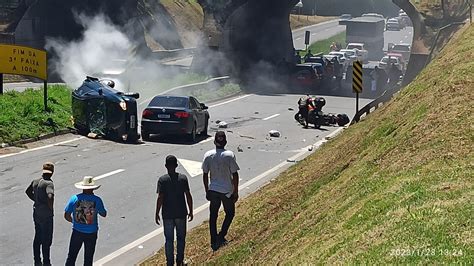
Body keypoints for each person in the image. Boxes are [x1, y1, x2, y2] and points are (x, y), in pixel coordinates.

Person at [202, 131, 240, 251]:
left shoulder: (208, 155)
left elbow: (205, 174)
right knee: (230, 213)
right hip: (226, 190)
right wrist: (236, 191)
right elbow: (235, 175)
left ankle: (213, 239)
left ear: (214, 142)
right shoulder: (229, 155)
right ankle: (221, 235)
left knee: (213, 215)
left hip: (213, 189)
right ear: (225, 142)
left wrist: (207, 190)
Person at [155, 155, 194, 266]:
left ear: (166, 166)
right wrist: (191, 210)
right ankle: (180, 261)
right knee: (181, 238)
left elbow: (160, 197)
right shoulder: (183, 178)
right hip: (181, 213)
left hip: (167, 214)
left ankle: (170, 263)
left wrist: (157, 212)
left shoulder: (162, 180)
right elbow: (188, 195)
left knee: (169, 240)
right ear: (176, 165)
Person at [64, 176, 107, 266]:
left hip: (77, 231)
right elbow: (104, 214)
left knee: (71, 256)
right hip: (91, 232)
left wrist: (74, 222)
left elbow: (66, 215)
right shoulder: (97, 200)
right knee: (88, 258)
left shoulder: (74, 198)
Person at [25, 162, 55, 266]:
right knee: (47, 240)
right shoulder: (49, 183)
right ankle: (47, 262)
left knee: (38, 237)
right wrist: (50, 208)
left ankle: (37, 261)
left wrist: (36, 200)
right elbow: (50, 196)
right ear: (52, 172)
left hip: (37, 213)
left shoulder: (35, 181)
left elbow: (28, 191)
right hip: (46, 215)